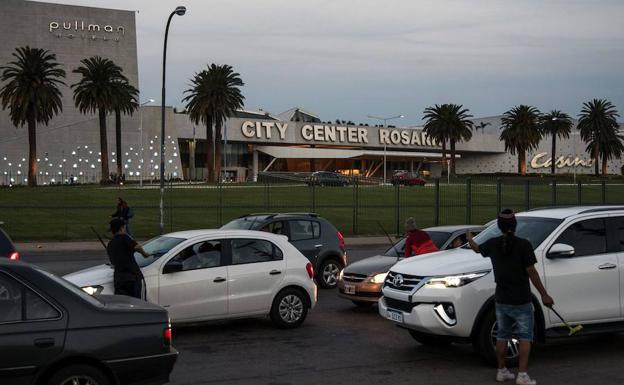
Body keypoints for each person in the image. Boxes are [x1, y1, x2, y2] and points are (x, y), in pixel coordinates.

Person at [466, 209, 554, 385]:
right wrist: (544, 294)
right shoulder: (524, 245)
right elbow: (531, 271)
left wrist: (469, 238)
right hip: (521, 298)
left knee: (502, 336)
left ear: (498, 226)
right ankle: (522, 375)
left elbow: (476, 248)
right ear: (515, 225)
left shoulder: (492, 244)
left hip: (501, 298)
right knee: (525, 337)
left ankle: (502, 370)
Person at [107, 218, 151, 299]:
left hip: (119, 278)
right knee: (137, 302)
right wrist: (144, 254)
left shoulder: (110, 243)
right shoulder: (124, 237)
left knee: (123, 303)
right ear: (122, 228)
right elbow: (137, 247)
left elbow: (113, 261)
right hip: (132, 277)